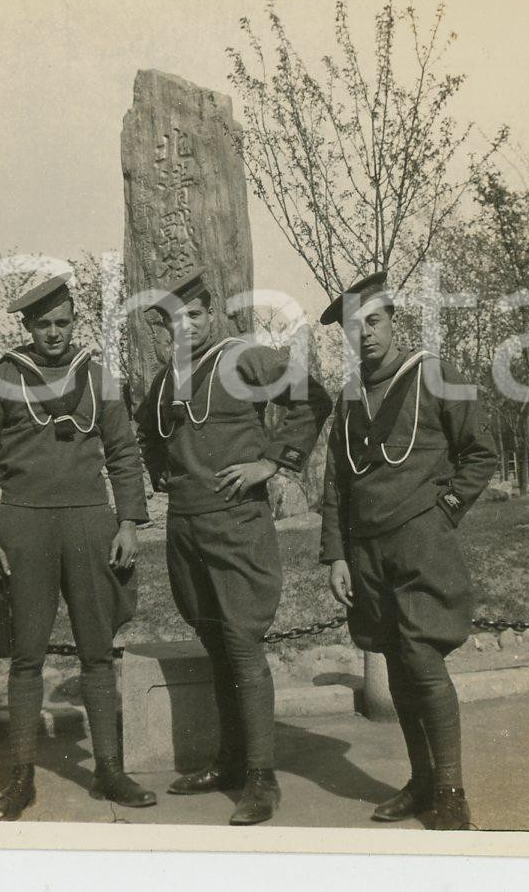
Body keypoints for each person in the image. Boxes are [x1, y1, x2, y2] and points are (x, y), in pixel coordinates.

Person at [135, 267, 331, 825]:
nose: (187, 327)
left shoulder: (243, 359)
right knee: (215, 643)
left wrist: (271, 462)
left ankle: (261, 778)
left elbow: (312, 397)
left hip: (237, 524)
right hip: (187, 527)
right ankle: (228, 761)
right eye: (175, 320)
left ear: (212, 312)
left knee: (243, 644)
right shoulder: (166, 377)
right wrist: (160, 473)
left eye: (194, 315)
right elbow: (147, 429)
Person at [0, 272, 156, 820]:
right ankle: (20, 778)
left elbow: (124, 453)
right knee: (26, 655)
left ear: (75, 321)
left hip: (91, 521)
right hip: (22, 523)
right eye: (43, 324)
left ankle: (109, 770)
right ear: (26, 326)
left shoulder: (98, 377)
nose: (54, 333)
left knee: (97, 648)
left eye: (63, 322)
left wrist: (128, 524)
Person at [319, 271, 497, 831]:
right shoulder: (349, 399)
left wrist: (444, 510)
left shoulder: (434, 374)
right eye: (354, 327)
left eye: (374, 321)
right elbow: (335, 486)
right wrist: (336, 555)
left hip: (421, 544)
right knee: (394, 665)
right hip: (367, 552)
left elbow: (481, 453)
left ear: (393, 319)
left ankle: (451, 790)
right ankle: (421, 782)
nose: (365, 334)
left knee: (422, 662)